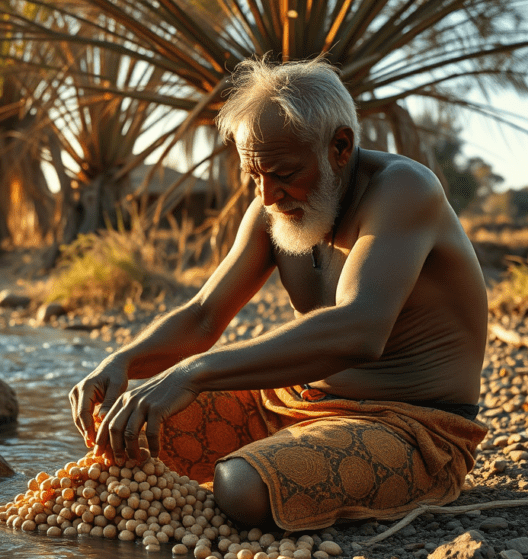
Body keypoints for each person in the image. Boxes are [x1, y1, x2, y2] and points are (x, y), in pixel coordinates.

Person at [69, 57, 489, 532]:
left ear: (340, 148)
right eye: (255, 176)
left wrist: (193, 374)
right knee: (120, 436)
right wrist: (122, 362)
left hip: (411, 429)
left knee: (240, 488)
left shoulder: (404, 190)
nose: (268, 195)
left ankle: (270, 467)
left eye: (284, 173)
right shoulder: (273, 208)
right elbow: (205, 316)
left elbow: (361, 330)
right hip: (293, 404)